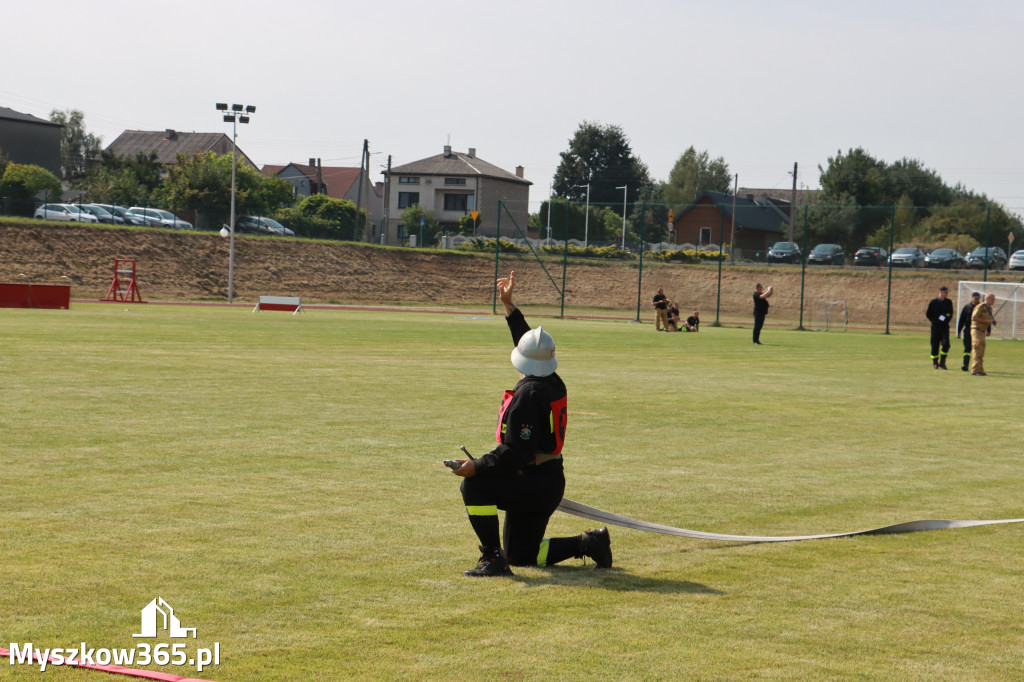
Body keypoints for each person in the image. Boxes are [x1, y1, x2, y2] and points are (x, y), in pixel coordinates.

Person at [450, 271, 612, 576]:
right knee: (523, 555)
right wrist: (510, 307)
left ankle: (492, 559)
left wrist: (479, 466)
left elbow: (517, 452)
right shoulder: (550, 380)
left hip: (533, 480)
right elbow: (528, 343)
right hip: (547, 480)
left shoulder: (528, 394)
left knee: (473, 487)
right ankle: (589, 543)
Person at [925, 285, 954, 369]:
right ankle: (935, 363)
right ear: (941, 292)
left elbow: (950, 313)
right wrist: (934, 321)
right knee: (934, 345)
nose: (946, 293)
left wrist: (945, 318)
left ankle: (942, 362)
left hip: (944, 327)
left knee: (946, 344)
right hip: (935, 327)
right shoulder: (933, 302)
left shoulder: (949, 302)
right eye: (945, 292)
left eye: (947, 292)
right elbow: (928, 314)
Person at [969, 293, 997, 376]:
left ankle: (980, 369)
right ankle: (975, 370)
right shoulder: (980, 307)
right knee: (977, 349)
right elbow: (973, 318)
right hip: (976, 330)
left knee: (981, 350)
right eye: (992, 299)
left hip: (982, 331)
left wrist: (991, 323)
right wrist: (988, 322)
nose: (994, 301)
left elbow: (988, 320)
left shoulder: (989, 309)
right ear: (987, 298)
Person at [957, 291, 981, 372]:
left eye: (978, 298)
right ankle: (965, 365)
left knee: (977, 348)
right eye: (975, 298)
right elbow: (962, 320)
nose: (976, 299)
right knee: (967, 348)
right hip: (968, 330)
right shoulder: (967, 307)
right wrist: (959, 331)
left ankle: (977, 366)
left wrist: (988, 330)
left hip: (978, 330)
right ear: (972, 298)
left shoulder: (981, 307)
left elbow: (986, 318)